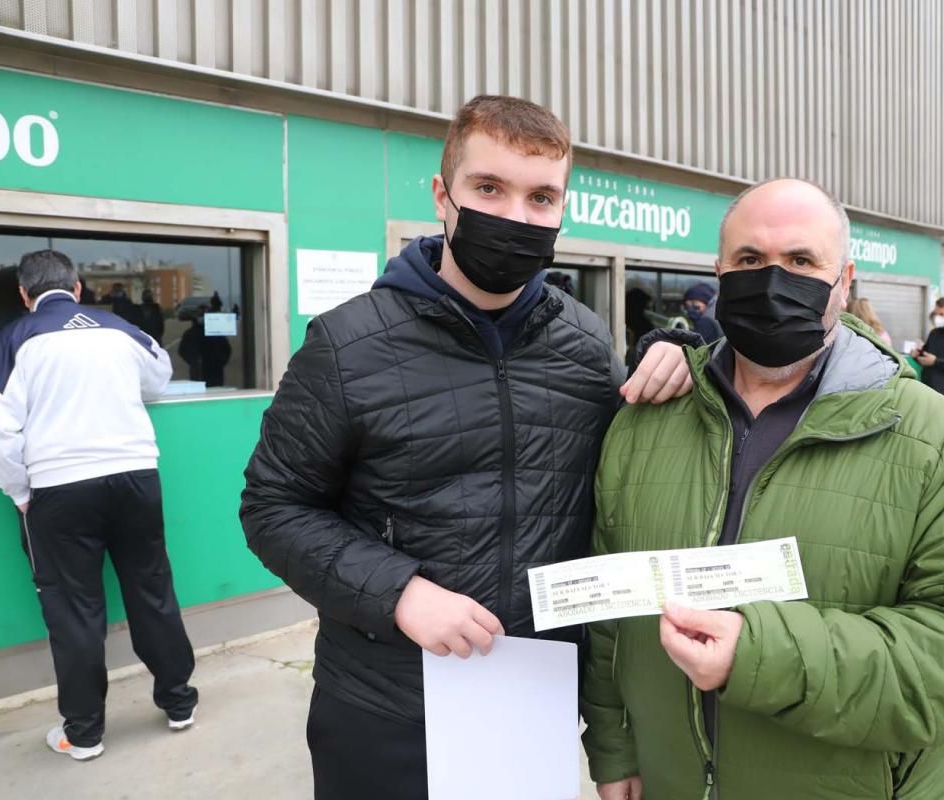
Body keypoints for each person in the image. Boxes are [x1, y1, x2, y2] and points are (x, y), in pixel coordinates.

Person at [239, 95, 692, 800]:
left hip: (531, 699)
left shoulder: (583, 344)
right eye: (489, 188)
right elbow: (274, 507)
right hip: (386, 705)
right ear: (442, 196)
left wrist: (686, 354)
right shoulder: (347, 345)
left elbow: (629, 487)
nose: (515, 216)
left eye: (541, 196)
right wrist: (399, 594)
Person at [582, 179, 944, 800]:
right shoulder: (644, 423)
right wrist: (614, 749)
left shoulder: (934, 437)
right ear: (718, 273)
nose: (772, 282)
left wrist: (764, 660)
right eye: (748, 261)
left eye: (800, 261)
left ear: (843, 280)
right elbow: (610, 612)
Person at [0, 250, 198, 762]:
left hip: (60, 488)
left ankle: (84, 733)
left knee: (75, 612)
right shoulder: (117, 327)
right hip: (136, 477)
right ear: (77, 288)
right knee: (152, 590)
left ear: (25, 295)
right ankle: (180, 703)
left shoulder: (11, 340)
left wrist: (20, 492)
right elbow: (158, 377)